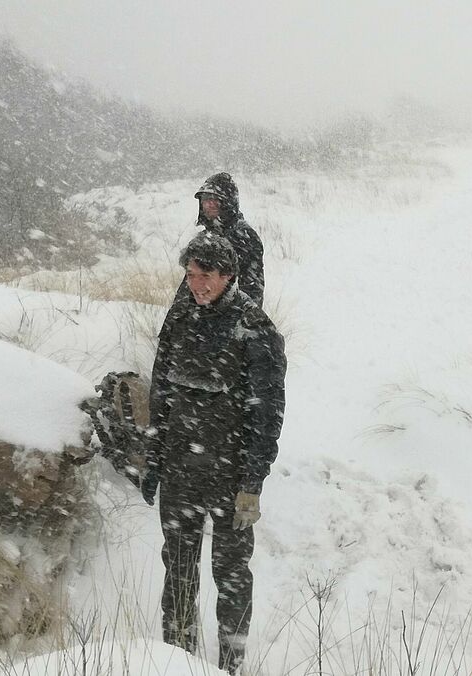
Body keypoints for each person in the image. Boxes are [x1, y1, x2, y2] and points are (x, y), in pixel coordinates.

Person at [142, 231, 287, 675]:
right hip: (181, 468)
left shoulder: (254, 328)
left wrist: (252, 483)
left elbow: (266, 412)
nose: (195, 284)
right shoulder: (180, 314)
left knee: (231, 575)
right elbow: (162, 389)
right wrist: (153, 459)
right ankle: (179, 661)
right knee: (179, 571)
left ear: (228, 276)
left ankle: (230, 664)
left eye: (205, 276)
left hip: (229, 474)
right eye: (190, 275)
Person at [186, 172, 266, 307]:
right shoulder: (205, 237)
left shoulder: (243, 236)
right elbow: (188, 287)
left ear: (228, 202)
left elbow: (252, 289)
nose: (209, 204)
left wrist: (239, 320)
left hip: (228, 318)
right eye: (206, 198)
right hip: (201, 317)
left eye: (215, 199)